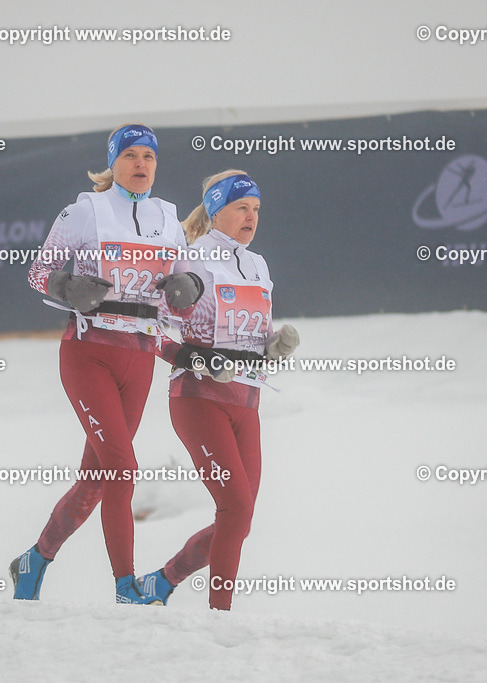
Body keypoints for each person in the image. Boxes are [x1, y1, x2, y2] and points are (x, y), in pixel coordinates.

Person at [9, 124, 194, 604]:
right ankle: (125, 587)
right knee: (123, 466)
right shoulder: (85, 210)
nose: (140, 164)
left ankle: (34, 559)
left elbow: (180, 296)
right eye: (129, 155)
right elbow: (38, 271)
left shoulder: (169, 220)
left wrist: (187, 289)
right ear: (113, 163)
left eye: (148, 157)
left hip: (140, 359)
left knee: (95, 482)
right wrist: (67, 288)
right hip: (88, 355)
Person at [138, 170, 300, 610]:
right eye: (241, 208)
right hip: (199, 400)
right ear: (215, 211)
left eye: (256, 209)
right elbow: (151, 330)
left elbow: (252, 337)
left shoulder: (258, 265)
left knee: (240, 518)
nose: (251, 217)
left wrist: (273, 346)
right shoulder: (192, 260)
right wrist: (196, 359)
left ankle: (160, 581)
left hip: (247, 401)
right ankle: (220, 620)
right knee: (234, 509)